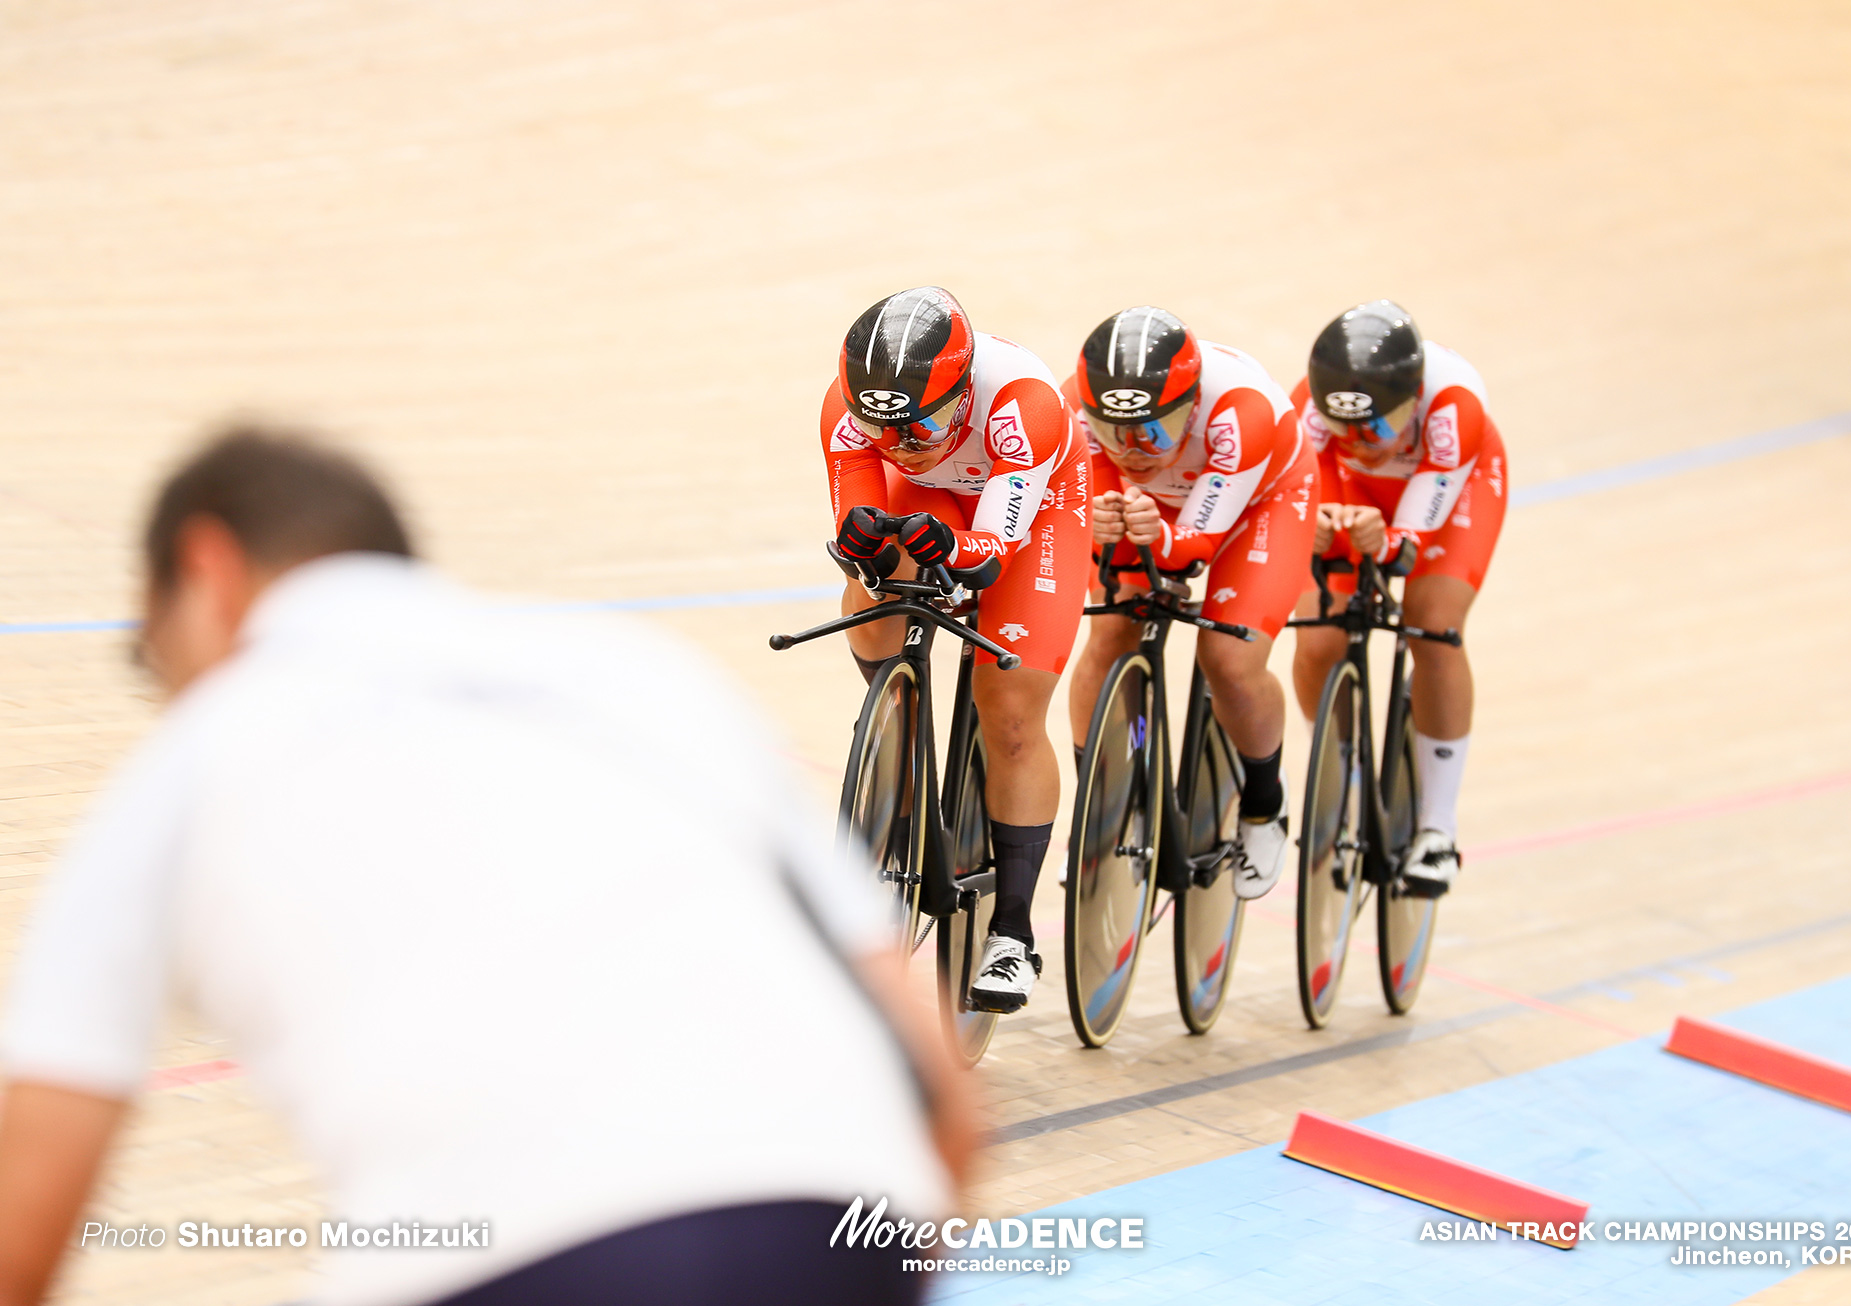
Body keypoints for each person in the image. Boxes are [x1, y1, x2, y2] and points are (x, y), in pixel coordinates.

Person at [0, 428, 972, 1306]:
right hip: (837, 1219)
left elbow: (23, 1217)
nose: (165, 688)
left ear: (207, 570)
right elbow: (939, 1095)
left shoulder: (193, 757)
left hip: (501, 1257)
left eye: (150, 654)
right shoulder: (639, 671)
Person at [822, 287, 1090, 1012]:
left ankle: (1011, 932)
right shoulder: (850, 413)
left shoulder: (1023, 404)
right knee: (874, 593)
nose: (904, 442)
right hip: (935, 499)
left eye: (923, 422)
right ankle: (896, 726)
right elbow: (857, 511)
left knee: (1008, 709)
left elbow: (994, 552)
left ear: (964, 391)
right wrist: (862, 543)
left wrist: (959, 546)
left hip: (1035, 519)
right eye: (885, 430)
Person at [1063, 307, 1317, 899]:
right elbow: (1084, 497)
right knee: (1108, 635)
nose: (1132, 448)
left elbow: (1192, 549)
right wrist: (1095, 523)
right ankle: (1100, 809)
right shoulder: (1073, 404)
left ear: (1193, 405)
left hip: (1260, 505)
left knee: (1229, 660)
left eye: (1153, 430)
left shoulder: (1242, 413)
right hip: (1157, 504)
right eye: (1113, 431)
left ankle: (1264, 804)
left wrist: (1149, 534)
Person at [1290, 301, 1508, 896]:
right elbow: (1294, 494)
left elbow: (1411, 541)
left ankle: (1437, 828)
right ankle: (1343, 782)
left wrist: (1388, 542)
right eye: (1344, 430)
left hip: (1448, 490)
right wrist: (1314, 525)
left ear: (1414, 401)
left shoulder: (1454, 406)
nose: (1361, 443)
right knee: (1317, 637)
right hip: (1348, 493)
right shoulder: (1307, 411)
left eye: (1378, 427)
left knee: (1432, 628)